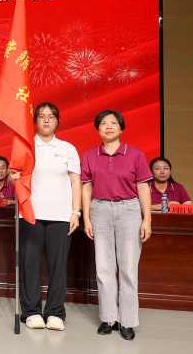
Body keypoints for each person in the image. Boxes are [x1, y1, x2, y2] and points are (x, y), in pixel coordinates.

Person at [81, 110, 152, 341]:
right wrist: (86, 218)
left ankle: (127, 321)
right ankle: (108, 318)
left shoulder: (135, 153)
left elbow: (143, 187)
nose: (109, 127)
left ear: (121, 128)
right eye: (104, 123)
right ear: (98, 129)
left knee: (128, 269)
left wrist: (147, 219)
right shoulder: (90, 154)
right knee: (104, 267)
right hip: (99, 210)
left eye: (113, 123)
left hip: (129, 210)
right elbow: (86, 187)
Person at [9, 103, 81, 331]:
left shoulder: (68, 148)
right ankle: (31, 312)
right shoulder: (26, 147)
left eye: (51, 117)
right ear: (35, 121)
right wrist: (12, 177)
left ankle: (55, 313)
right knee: (29, 265)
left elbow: (76, 182)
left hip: (60, 215)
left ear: (58, 121)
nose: (47, 120)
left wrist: (75, 212)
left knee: (57, 267)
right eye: (41, 116)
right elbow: (13, 177)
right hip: (30, 213)